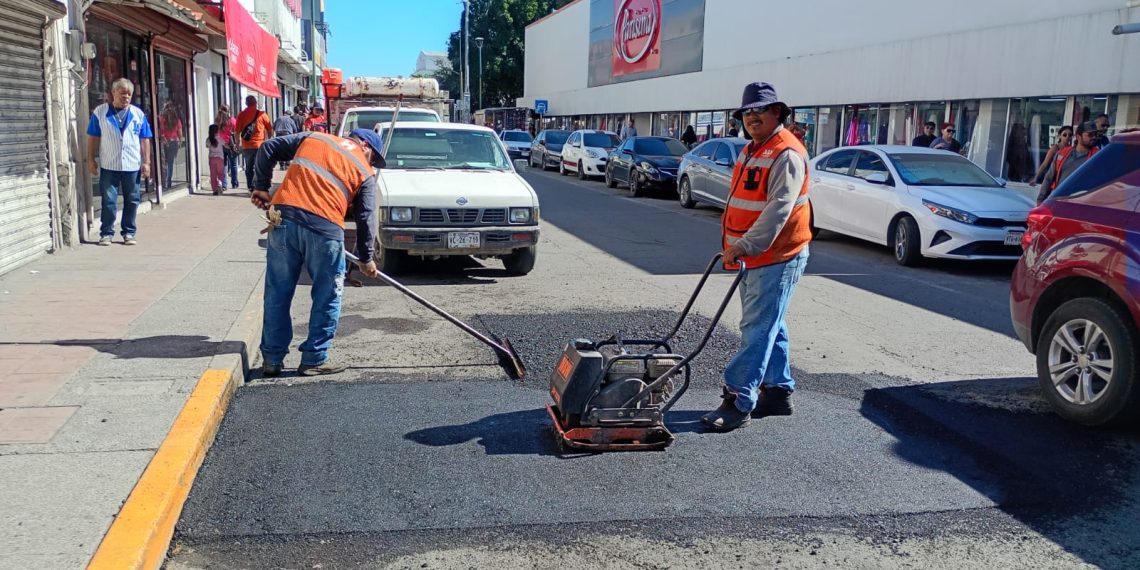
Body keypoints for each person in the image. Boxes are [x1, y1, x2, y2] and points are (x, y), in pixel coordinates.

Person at [701, 82, 811, 432]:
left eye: (759, 110)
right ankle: (777, 392)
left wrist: (745, 245)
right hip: (754, 257)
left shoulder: (786, 154)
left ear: (777, 112)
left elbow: (779, 209)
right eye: (747, 111)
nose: (751, 116)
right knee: (769, 323)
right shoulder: (752, 149)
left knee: (757, 328)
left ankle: (739, 398)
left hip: (777, 256)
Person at [249, 128, 385, 377]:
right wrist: (366, 259)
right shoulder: (364, 171)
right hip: (324, 229)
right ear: (365, 146)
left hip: (282, 221)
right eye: (374, 158)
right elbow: (366, 216)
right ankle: (313, 359)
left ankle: (272, 359)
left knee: (277, 292)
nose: (372, 163)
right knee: (327, 295)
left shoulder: (314, 138)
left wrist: (260, 187)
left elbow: (268, 147)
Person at [86, 78, 153, 246]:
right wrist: (90, 158)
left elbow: (145, 139)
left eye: (129, 94)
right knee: (109, 200)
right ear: (113, 92)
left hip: (132, 165)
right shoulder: (100, 113)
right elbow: (93, 137)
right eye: (123, 93)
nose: (126, 97)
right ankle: (106, 233)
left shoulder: (138, 114)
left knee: (132, 199)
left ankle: (129, 232)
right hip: (109, 164)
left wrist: (147, 162)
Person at [1036, 121, 1099, 204]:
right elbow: (1049, 177)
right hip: (1057, 200)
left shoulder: (1097, 156)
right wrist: (1040, 200)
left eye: (1095, 135)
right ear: (1079, 136)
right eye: (1090, 135)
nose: (1094, 137)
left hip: (1080, 203)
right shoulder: (1062, 153)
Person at [236, 95, 274, 189]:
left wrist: (237, 144)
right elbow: (270, 129)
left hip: (246, 146)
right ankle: (259, 185)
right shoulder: (262, 115)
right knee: (259, 166)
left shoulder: (241, 114)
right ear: (256, 103)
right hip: (259, 145)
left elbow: (237, 131)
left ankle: (250, 187)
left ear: (246, 103)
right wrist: (268, 141)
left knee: (249, 167)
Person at [158, 101, 182, 190]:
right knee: (170, 163)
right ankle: (168, 181)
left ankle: (162, 181)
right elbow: (180, 133)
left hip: (163, 141)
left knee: (163, 162)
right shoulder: (177, 120)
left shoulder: (161, 118)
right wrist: (179, 142)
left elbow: (159, 131)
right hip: (173, 142)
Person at [216, 104, 239, 190]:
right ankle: (234, 183)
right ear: (228, 111)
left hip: (221, 145)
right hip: (231, 145)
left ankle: (224, 184)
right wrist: (237, 143)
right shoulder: (232, 120)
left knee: (223, 165)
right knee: (233, 164)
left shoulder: (217, 121)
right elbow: (237, 132)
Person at [206, 124, 225, 195]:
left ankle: (214, 190)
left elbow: (207, 146)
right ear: (217, 131)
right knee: (220, 173)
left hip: (212, 158)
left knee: (213, 175)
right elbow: (225, 144)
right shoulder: (220, 139)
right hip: (220, 158)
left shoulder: (209, 139)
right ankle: (220, 183)